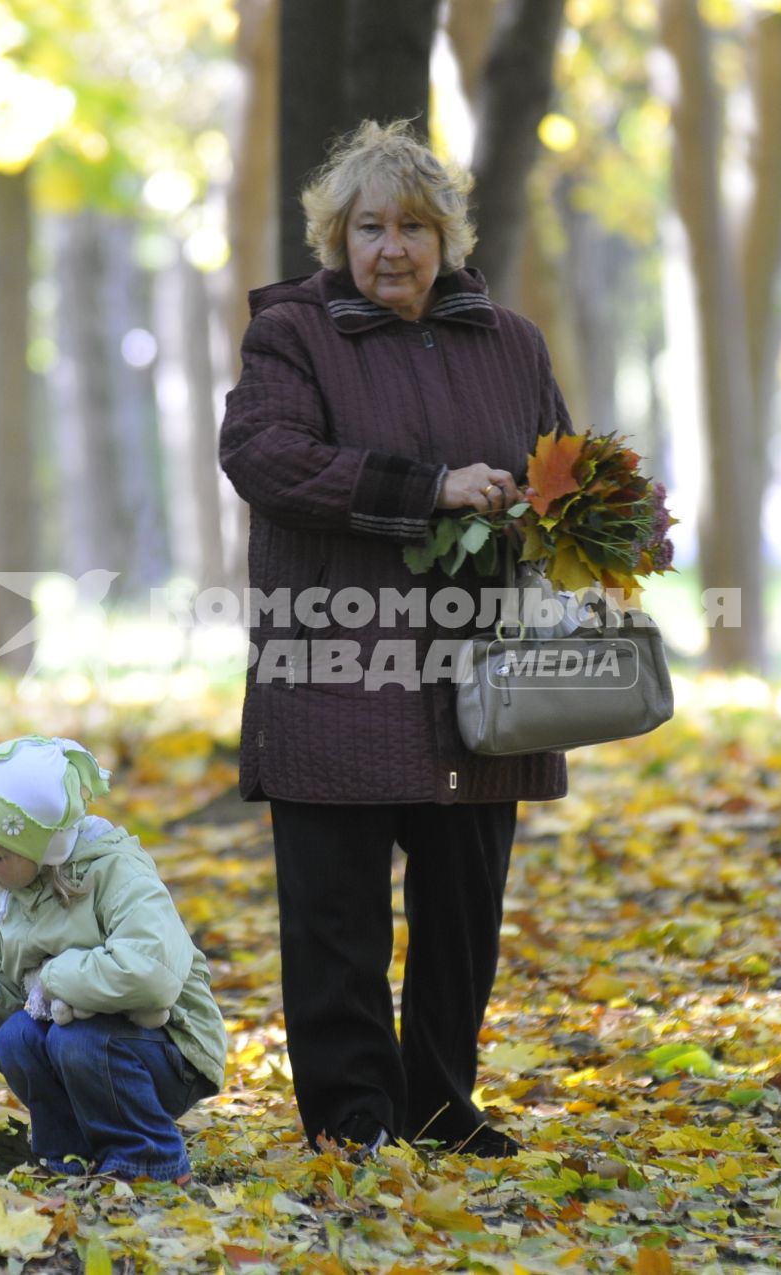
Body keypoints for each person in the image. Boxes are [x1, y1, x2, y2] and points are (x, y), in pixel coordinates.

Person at [217, 119, 570, 1157]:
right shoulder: (293, 333)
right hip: (337, 671)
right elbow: (265, 456)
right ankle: (355, 1121)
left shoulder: (510, 342)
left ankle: (439, 1106)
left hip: (480, 675)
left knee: (462, 915)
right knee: (337, 922)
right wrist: (427, 493)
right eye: (370, 226)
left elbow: (557, 454)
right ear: (337, 235)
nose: (392, 249)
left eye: (414, 226)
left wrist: (586, 505)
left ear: (448, 237)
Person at [0, 735, 227, 1183]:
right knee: (16, 1037)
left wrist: (52, 978)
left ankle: (148, 1159)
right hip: (94, 1053)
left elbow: (150, 972)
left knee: (75, 1040)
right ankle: (67, 1157)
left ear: (43, 849)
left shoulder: (116, 873)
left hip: (171, 1051)